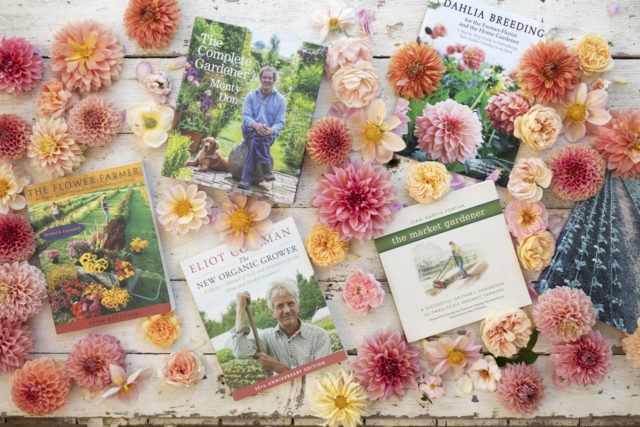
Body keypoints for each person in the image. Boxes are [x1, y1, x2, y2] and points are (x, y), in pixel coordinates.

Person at [232, 280, 331, 374]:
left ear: (297, 306)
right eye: (280, 306)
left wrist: (279, 367)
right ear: (272, 312)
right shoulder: (266, 338)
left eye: (291, 303)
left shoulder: (319, 336)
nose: (287, 310)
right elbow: (241, 352)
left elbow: (323, 374)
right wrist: (240, 309)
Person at [237, 66, 287, 190]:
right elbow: (246, 116)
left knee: (256, 140)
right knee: (256, 135)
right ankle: (266, 166)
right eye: (264, 77)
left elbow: (280, 122)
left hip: (268, 134)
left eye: (269, 78)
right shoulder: (251, 96)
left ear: (274, 80)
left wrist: (270, 130)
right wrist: (256, 125)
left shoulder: (280, 100)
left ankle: (245, 179)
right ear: (260, 79)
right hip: (250, 130)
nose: (267, 80)